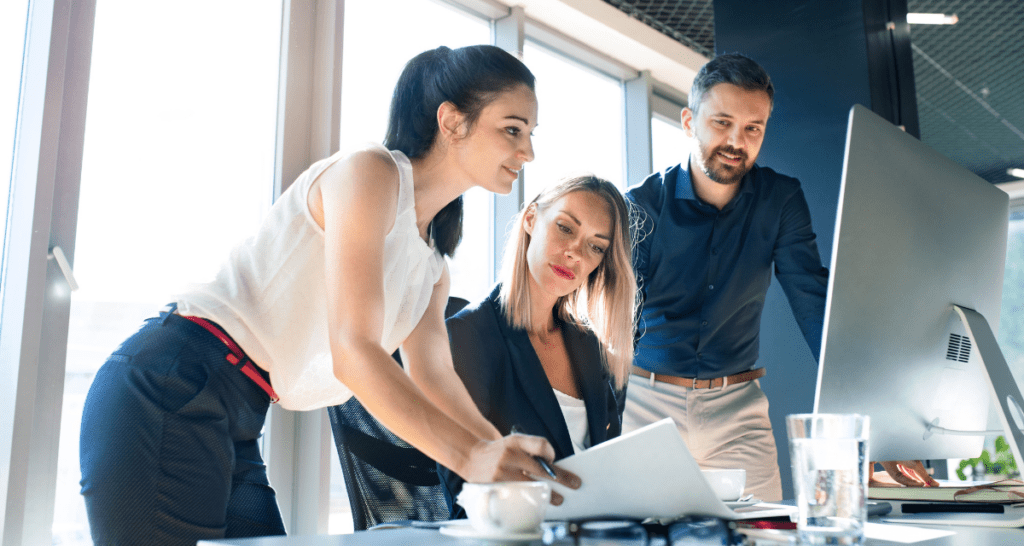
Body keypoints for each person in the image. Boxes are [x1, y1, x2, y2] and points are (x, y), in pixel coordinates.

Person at [78, 44, 580, 546]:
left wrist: (503, 458)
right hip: (173, 383)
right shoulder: (370, 172)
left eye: (531, 135)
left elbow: (434, 378)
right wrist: (471, 459)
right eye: (513, 129)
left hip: (241, 411)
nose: (528, 153)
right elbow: (353, 352)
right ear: (452, 121)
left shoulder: (432, 264)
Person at [623, 53, 938, 502]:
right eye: (722, 123)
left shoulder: (781, 199)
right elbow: (619, 320)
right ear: (690, 121)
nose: (737, 141)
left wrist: (876, 420)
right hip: (645, 404)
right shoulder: (639, 205)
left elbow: (814, 304)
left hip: (737, 409)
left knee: (768, 533)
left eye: (753, 128)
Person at [439, 174, 637, 517]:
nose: (575, 252)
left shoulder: (591, 348)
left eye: (595, 246)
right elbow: (463, 491)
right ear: (531, 219)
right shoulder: (467, 336)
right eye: (565, 227)